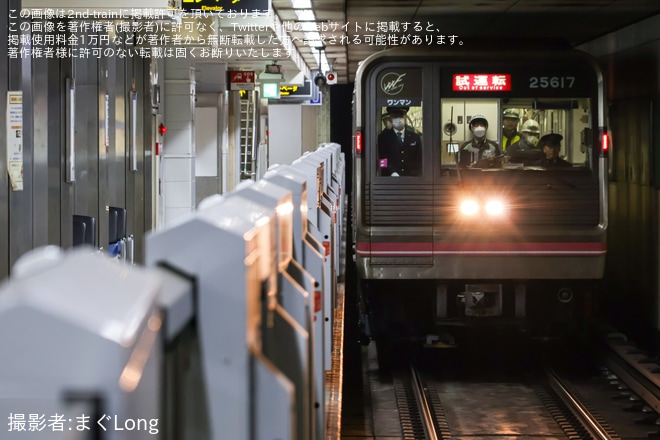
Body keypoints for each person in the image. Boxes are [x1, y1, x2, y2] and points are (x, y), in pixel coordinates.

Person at [377, 106, 423, 176]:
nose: (398, 119)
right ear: (391, 118)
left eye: (401, 116)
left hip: (411, 179)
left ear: (405, 117)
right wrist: (392, 172)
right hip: (389, 180)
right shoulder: (383, 137)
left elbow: (419, 159)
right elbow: (383, 159)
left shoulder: (415, 137)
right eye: (395, 116)